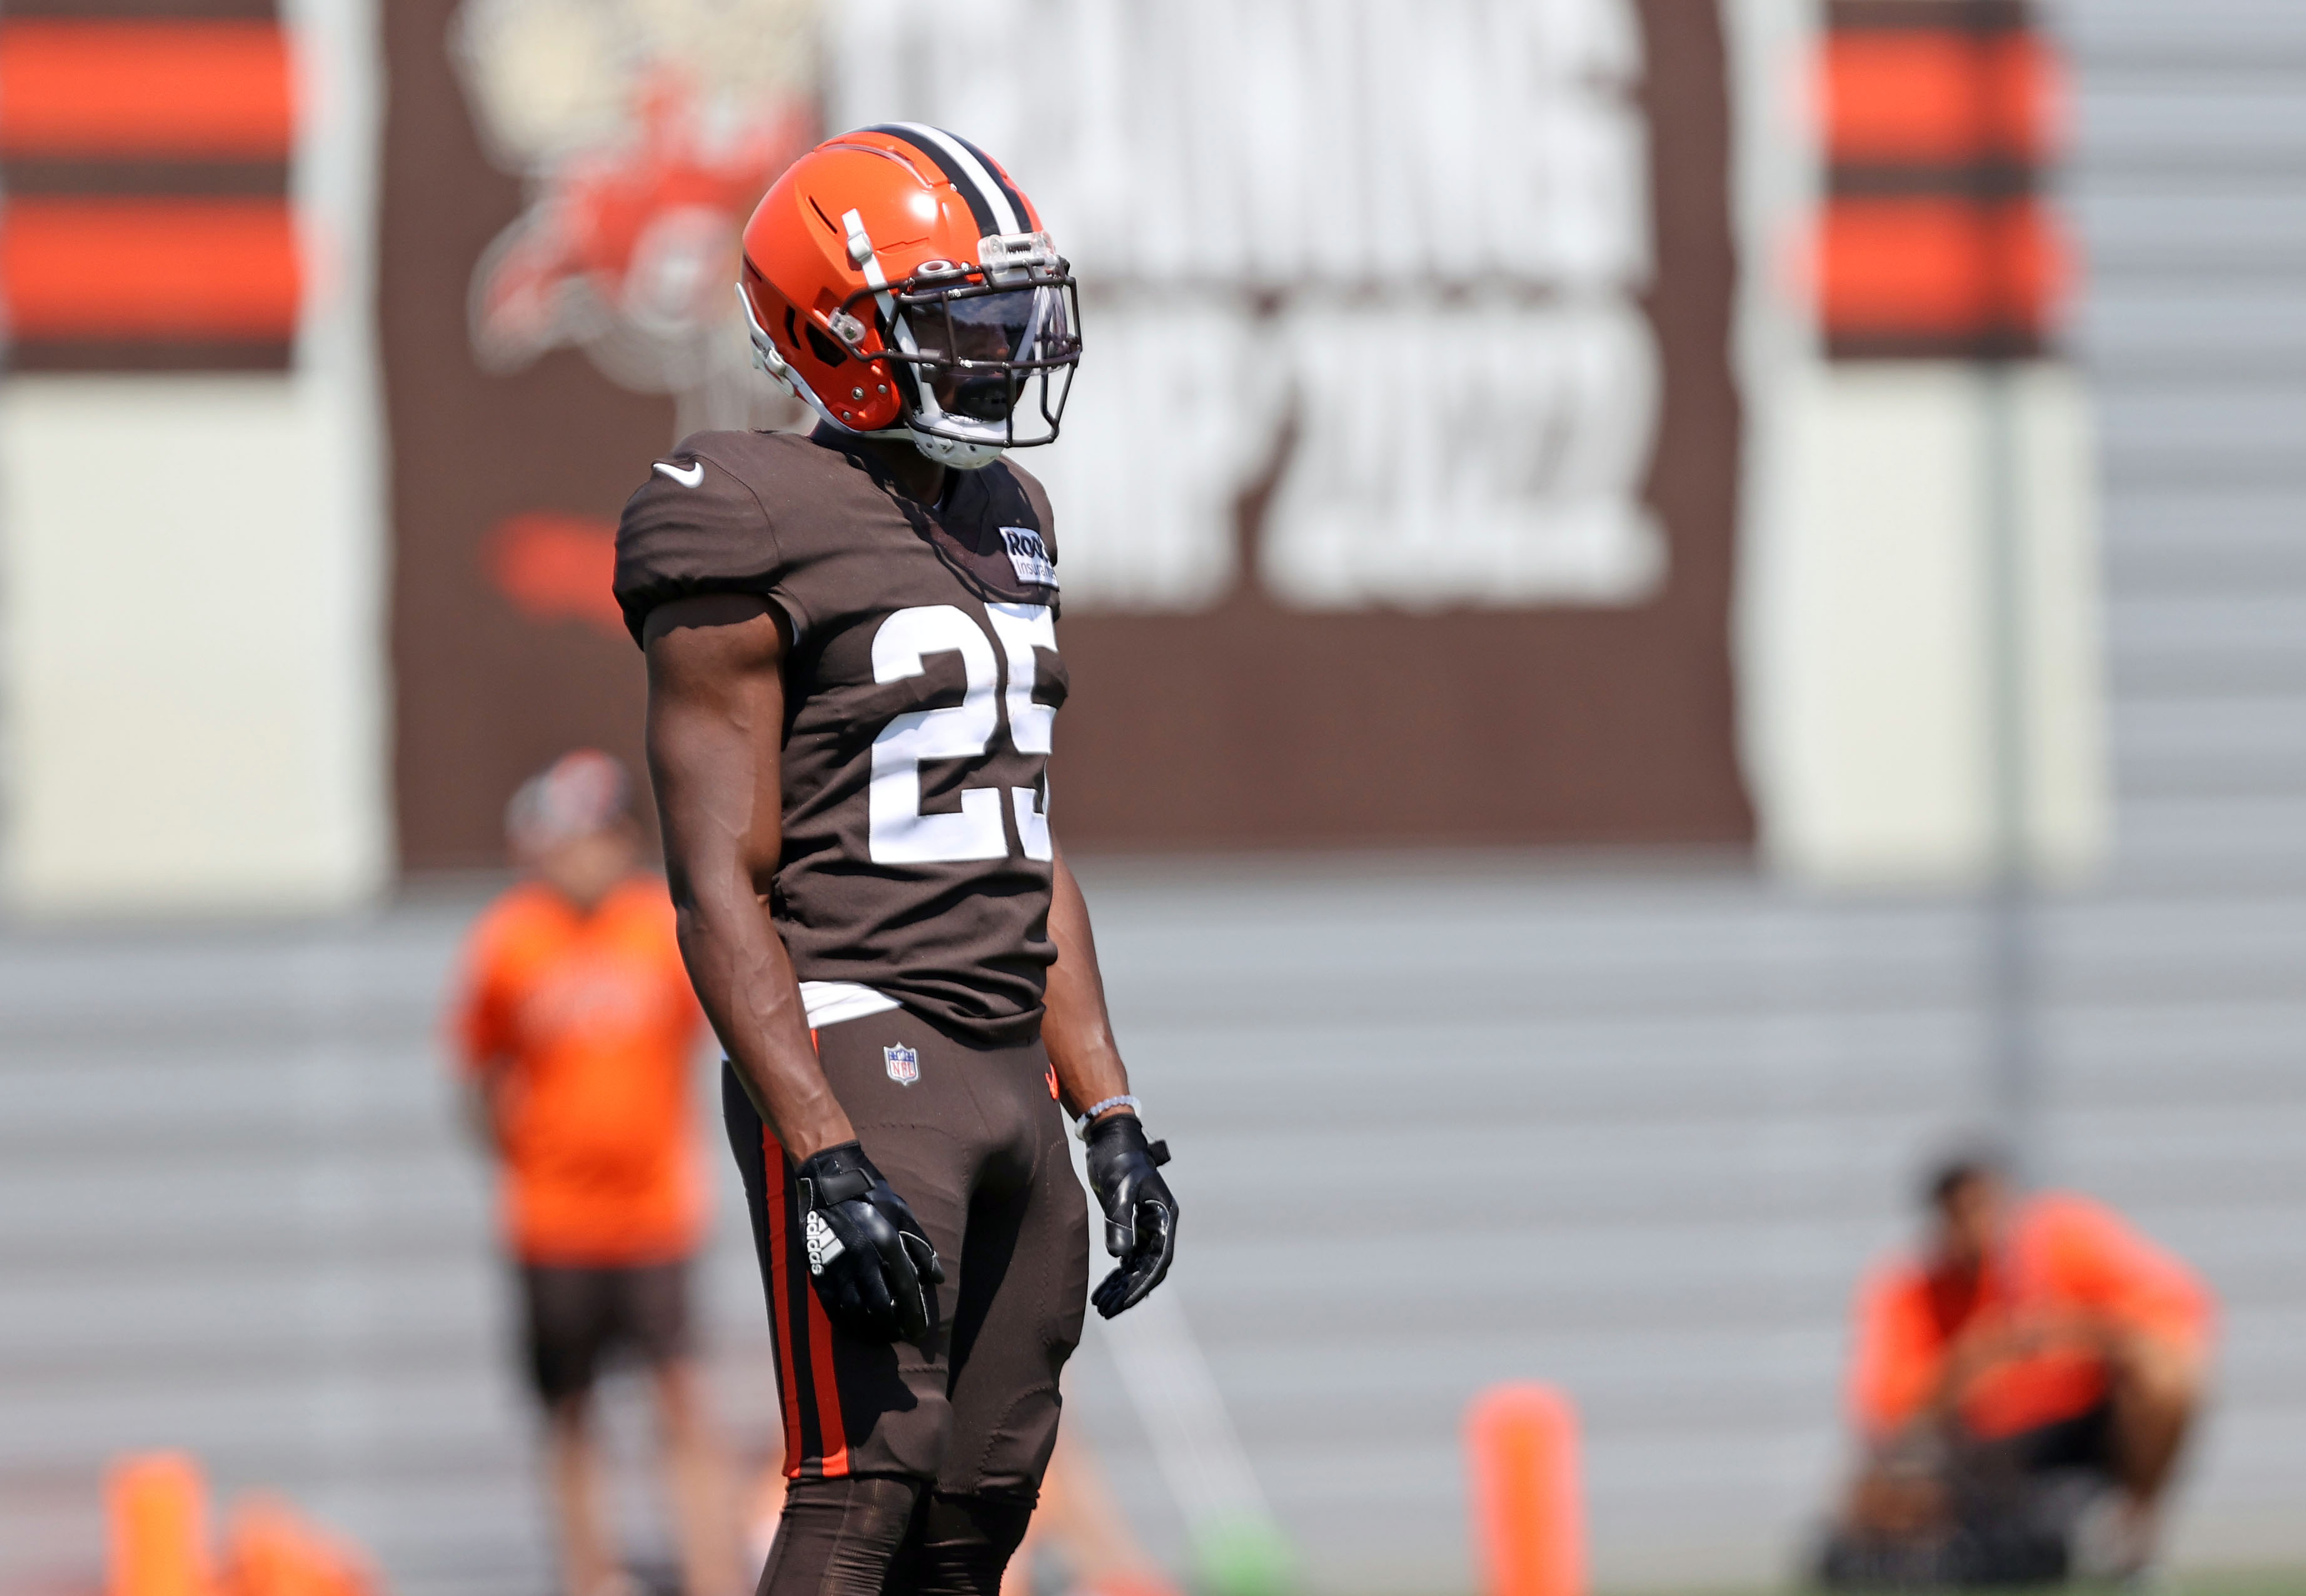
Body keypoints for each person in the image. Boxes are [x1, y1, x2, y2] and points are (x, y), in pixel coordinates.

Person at [612, 124, 1181, 1596]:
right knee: (860, 1485)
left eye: (1011, 313)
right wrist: (822, 1145)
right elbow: (714, 882)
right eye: (959, 319)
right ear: (834, 332)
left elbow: (1021, 839)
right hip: (861, 1033)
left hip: (1005, 1055)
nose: (1000, 349)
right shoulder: (733, 507)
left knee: (978, 1506)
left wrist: (1108, 1103)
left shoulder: (1008, 516)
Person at [449, 750, 741, 1596]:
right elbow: (478, 1077)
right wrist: (527, 1159)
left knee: (682, 1401)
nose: (581, 857)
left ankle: (713, 1575)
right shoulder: (509, 939)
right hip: (552, 1224)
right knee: (570, 1413)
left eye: (595, 838)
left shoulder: (660, 927)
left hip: (655, 1216)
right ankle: (589, 1576)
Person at [1823, 1148, 2214, 1586]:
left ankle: (2133, 1541)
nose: (1978, 1231)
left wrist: (2074, 1332)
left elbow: (2177, 1313)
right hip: (1985, 1451)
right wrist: (1968, 1363)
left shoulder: (2068, 1238)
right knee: (1885, 1490)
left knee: (2169, 1374)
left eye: (1987, 1210)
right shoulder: (1914, 1292)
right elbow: (1889, 1417)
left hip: (2081, 1422)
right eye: (1961, 1217)